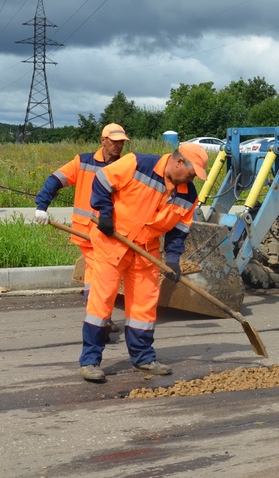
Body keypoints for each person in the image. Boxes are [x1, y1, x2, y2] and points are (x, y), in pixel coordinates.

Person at [78, 142, 209, 382]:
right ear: (179, 162)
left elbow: (179, 230)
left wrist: (173, 259)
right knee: (101, 303)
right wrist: (105, 213)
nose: (192, 179)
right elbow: (102, 180)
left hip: (145, 251)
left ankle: (143, 358)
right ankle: (90, 361)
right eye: (192, 173)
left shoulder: (188, 195)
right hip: (112, 244)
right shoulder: (137, 164)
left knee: (144, 307)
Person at [33, 123, 130, 337]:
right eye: (114, 141)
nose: (118, 145)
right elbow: (55, 180)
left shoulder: (126, 165)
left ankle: (100, 316)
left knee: (95, 273)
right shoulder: (83, 162)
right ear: (103, 140)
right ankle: (100, 320)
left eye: (121, 142)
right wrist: (42, 206)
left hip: (111, 232)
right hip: (86, 232)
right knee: (102, 274)